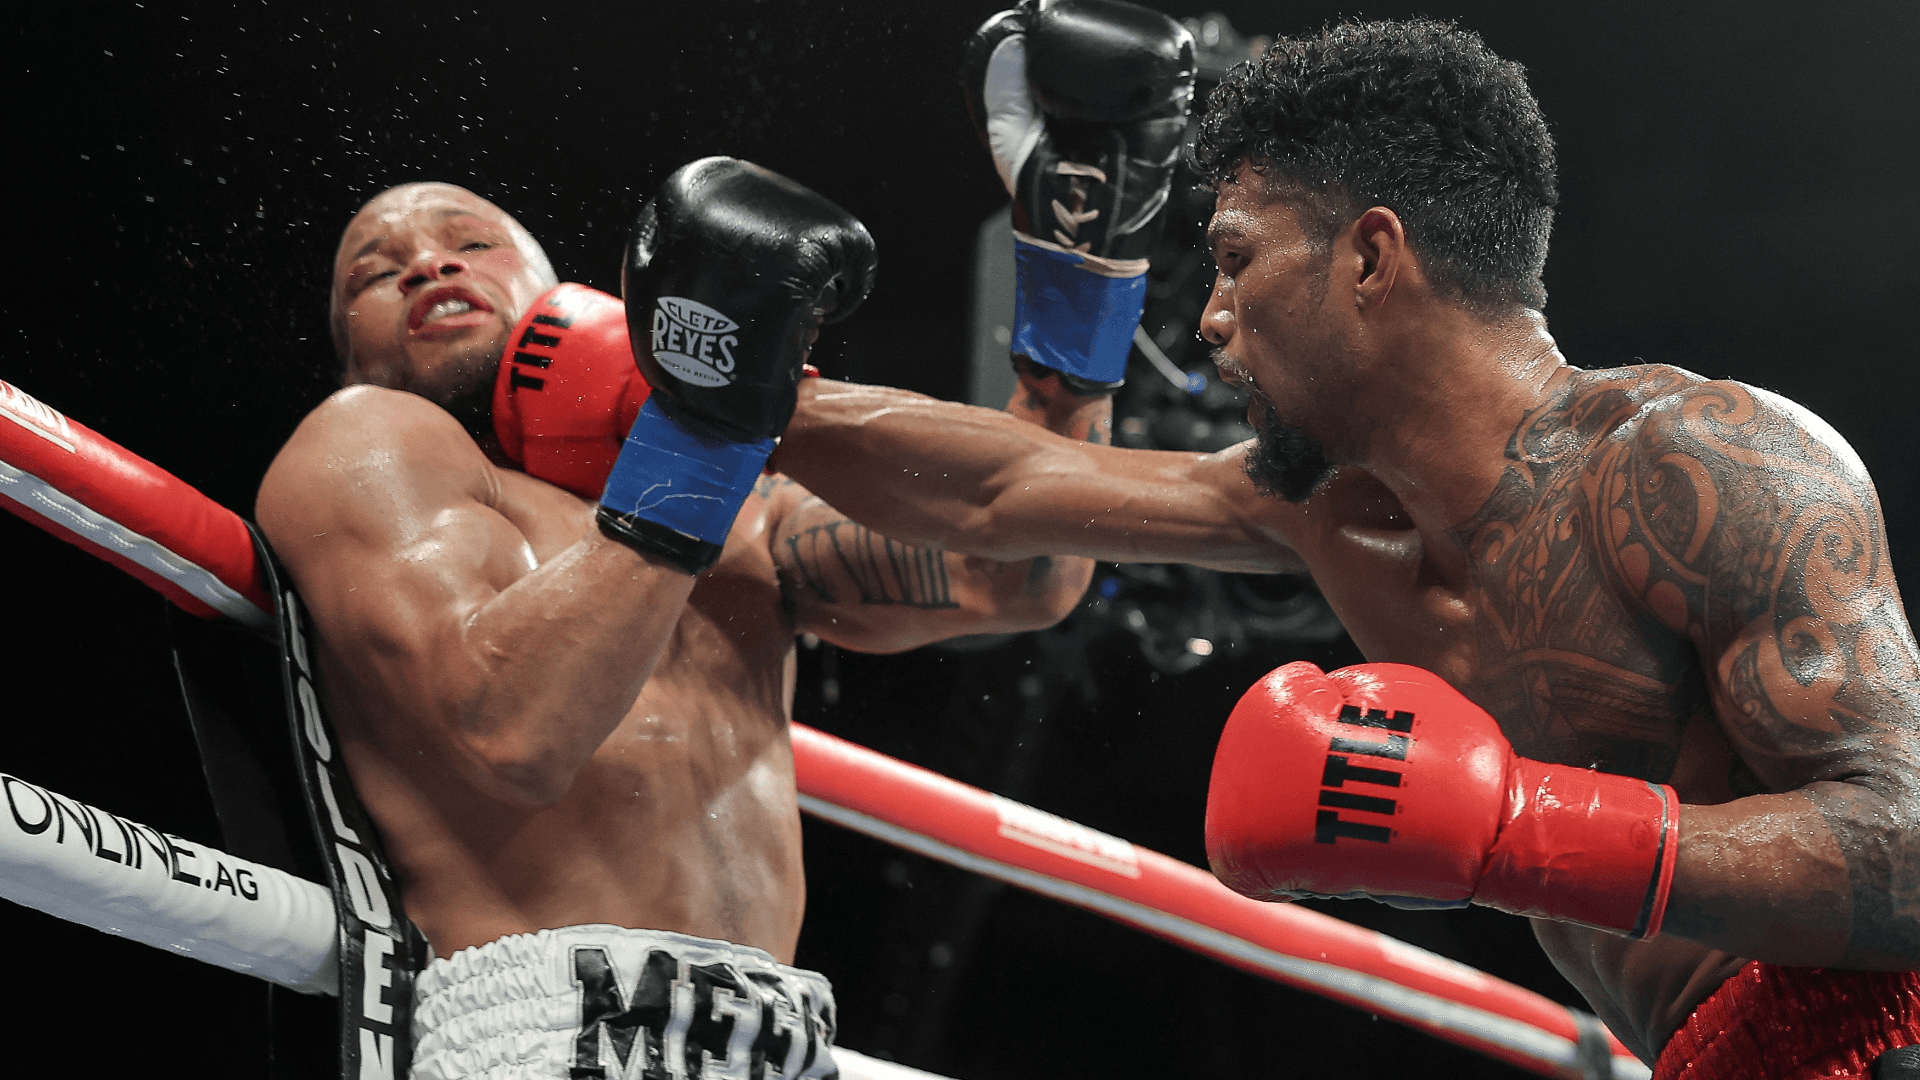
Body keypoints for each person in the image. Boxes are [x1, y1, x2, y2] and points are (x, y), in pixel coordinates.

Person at [769, 18, 1920, 1078]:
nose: (1211, 318)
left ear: (1369, 258)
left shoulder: (1698, 464)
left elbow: (1909, 850)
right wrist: (741, 389)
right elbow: (1006, 488)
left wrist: (1515, 826)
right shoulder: (1328, 515)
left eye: (1235, 259)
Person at [257, 161, 1101, 1079]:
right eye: (377, 273)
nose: (429, 265)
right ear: (350, 352)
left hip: (782, 1036)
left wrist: (1084, 282)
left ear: (557, 291)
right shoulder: (372, 447)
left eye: (472, 243)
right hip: (557, 1029)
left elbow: (1018, 576)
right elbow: (514, 726)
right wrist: (707, 427)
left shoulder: (749, 516)